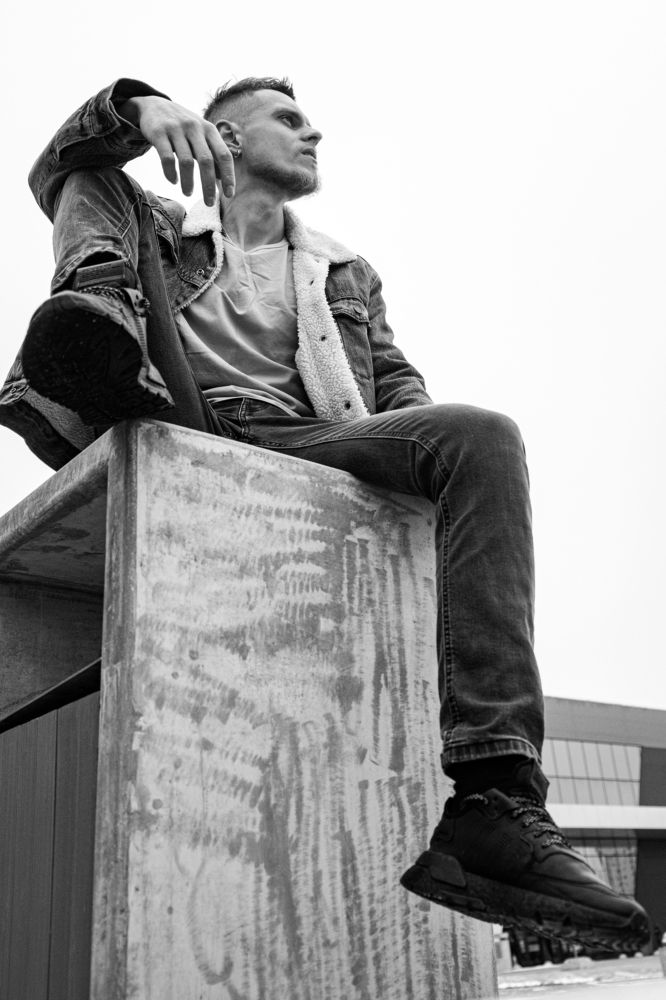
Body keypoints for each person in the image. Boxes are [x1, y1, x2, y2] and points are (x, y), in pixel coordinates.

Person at [0, 77, 652, 955]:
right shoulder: (154, 221)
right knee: (91, 175)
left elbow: (398, 389)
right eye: (290, 120)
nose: (314, 134)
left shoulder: (344, 271)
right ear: (225, 135)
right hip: (176, 403)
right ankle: (99, 326)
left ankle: (495, 799)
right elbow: (56, 172)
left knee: (482, 436)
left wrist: (443, 464)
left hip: (304, 435)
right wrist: (137, 106)